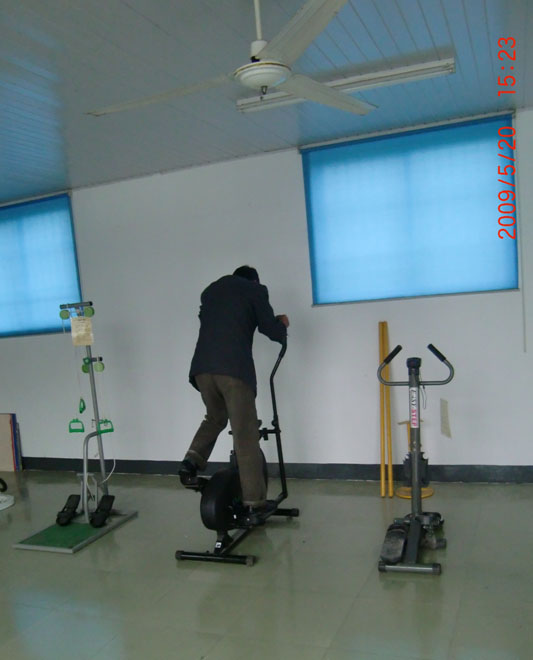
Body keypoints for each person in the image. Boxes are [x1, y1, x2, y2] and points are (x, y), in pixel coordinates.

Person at [178, 266, 289, 525]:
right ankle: (254, 504)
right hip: (233, 372)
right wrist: (281, 326)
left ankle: (191, 461)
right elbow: (268, 327)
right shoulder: (255, 290)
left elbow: (217, 323)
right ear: (254, 280)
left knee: (215, 417)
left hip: (202, 369)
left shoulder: (211, 291)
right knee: (245, 433)